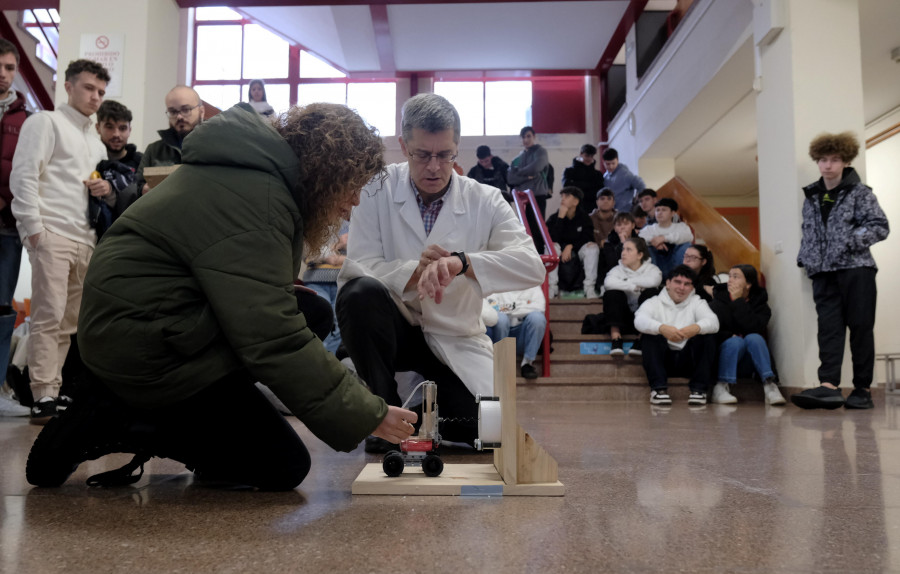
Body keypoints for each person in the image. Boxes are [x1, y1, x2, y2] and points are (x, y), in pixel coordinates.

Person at [25, 102, 418, 490]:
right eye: (351, 185)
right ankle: (119, 415)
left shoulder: (250, 175)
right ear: (326, 170)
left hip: (154, 325)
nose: (353, 201)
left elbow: (265, 312)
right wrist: (367, 414)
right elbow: (272, 334)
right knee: (283, 465)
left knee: (312, 310)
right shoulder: (258, 199)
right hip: (140, 347)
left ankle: (191, 418)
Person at [336, 93, 544, 453]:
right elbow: (357, 269)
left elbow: (532, 265)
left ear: (457, 148)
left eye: (444, 154)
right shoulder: (375, 190)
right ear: (403, 146)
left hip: (456, 336)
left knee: (492, 432)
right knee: (358, 295)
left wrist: (464, 262)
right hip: (395, 330)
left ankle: (418, 416)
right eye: (422, 154)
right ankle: (383, 417)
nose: (434, 166)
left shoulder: (486, 199)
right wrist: (412, 273)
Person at [10, 59, 109, 424]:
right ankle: (42, 394)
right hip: (51, 232)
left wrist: (104, 187)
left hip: (85, 238)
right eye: (88, 88)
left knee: (69, 324)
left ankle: (55, 389)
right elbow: (23, 177)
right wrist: (34, 230)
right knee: (47, 318)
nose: (95, 96)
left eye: (100, 91)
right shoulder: (45, 122)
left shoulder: (94, 141)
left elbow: (94, 190)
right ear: (68, 86)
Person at [791, 132, 889, 410]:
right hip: (822, 272)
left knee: (860, 328)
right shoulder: (811, 195)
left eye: (834, 160)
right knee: (829, 329)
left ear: (845, 162)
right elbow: (808, 231)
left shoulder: (860, 193)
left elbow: (879, 226)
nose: (828, 165)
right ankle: (829, 386)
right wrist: (805, 257)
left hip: (856, 269)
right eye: (823, 160)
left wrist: (846, 243)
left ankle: (862, 390)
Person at [634, 265, 719, 406]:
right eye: (677, 282)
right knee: (650, 335)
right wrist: (661, 328)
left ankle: (699, 390)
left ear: (692, 288)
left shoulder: (698, 302)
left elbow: (713, 322)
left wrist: (696, 328)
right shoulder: (653, 302)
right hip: (663, 361)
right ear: (668, 283)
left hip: (689, 361)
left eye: (687, 284)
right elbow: (639, 320)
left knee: (708, 335)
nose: (681, 287)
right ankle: (658, 390)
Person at [0, 38, 30, 417]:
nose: (3, 75)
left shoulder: (27, 119)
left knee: (4, 310)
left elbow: (26, 172)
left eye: (9, 68)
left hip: (7, 226)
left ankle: (0, 389)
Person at [709, 264, 785, 406]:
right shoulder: (717, 303)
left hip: (751, 362)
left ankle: (770, 386)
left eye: (736, 277)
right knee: (735, 342)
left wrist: (738, 301)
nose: (730, 280)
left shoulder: (761, 306)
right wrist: (729, 336)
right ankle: (721, 386)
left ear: (748, 284)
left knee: (755, 337)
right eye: (729, 276)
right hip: (725, 357)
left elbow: (753, 328)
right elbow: (712, 331)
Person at [135, 85, 204, 194]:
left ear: (201, 111)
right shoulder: (154, 150)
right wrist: (144, 190)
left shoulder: (215, 147)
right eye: (173, 112)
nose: (179, 117)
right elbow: (136, 185)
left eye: (186, 110)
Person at [90, 100, 143, 239]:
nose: (116, 134)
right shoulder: (89, 161)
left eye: (122, 128)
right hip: (95, 240)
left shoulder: (142, 162)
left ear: (130, 130)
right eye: (109, 127)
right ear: (97, 127)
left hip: (133, 238)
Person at [603, 237, 661, 356]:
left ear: (640, 255)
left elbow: (653, 282)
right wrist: (633, 286)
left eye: (629, 250)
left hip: (643, 320)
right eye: (623, 249)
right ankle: (616, 339)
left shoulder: (652, 269)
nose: (623, 253)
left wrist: (624, 281)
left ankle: (641, 338)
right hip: (623, 316)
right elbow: (608, 283)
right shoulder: (616, 270)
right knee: (612, 293)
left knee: (651, 292)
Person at [302, 220, 349, 354]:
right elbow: (309, 254)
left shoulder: (354, 224)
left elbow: (359, 258)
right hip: (316, 282)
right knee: (319, 321)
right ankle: (316, 360)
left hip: (342, 282)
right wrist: (338, 245)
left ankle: (328, 362)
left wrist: (329, 254)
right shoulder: (316, 223)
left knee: (340, 326)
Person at [546, 186, 599, 299]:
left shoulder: (584, 218)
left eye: (567, 196)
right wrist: (560, 218)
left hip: (577, 250)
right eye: (562, 196)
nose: (562, 199)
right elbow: (552, 238)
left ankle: (589, 287)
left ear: (576, 201)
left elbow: (587, 237)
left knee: (592, 248)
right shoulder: (554, 218)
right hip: (559, 250)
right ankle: (552, 287)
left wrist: (571, 246)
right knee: (551, 246)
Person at [483, 285, 546, 379]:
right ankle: (501, 363)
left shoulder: (533, 285)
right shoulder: (497, 282)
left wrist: (509, 309)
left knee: (538, 318)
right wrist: (523, 307)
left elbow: (539, 308)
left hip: (522, 336)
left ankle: (527, 364)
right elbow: (491, 309)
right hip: (500, 334)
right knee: (501, 319)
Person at [639, 197, 693, 277]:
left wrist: (663, 238)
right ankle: (653, 278)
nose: (660, 213)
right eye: (657, 210)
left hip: (675, 261)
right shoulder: (649, 228)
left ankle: (680, 276)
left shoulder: (681, 226)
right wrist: (654, 242)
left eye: (664, 210)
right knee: (644, 247)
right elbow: (640, 237)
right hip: (656, 261)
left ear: (673, 213)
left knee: (686, 246)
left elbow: (689, 236)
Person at [507, 126, 550, 216]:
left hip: (537, 195)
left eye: (528, 136)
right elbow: (510, 179)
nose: (526, 139)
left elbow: (536, 168)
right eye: (523, 137)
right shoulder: (517, 159)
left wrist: (518, 173)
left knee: (537, 228)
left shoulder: (541, 151)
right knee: (525, 228)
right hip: (522, 197)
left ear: (534, 137)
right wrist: (528, 177)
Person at [598, 211, 639, 285]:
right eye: (619, 225)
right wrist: (622, 243)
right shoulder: (608, 244)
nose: (622, 227)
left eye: (626, 224)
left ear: (633, 225)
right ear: (614, 228)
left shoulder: (640, 241)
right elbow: (613, 264)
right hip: (616, 277)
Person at [602, 148, 645, 213]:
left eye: (613, 163)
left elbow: (641, 185)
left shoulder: (625, 174)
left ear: (617, 160)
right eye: (608, 164)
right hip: (611, 212)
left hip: (625, 211)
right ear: (603, 162)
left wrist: (636, 200)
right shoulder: (605, 176)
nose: (611, 166)